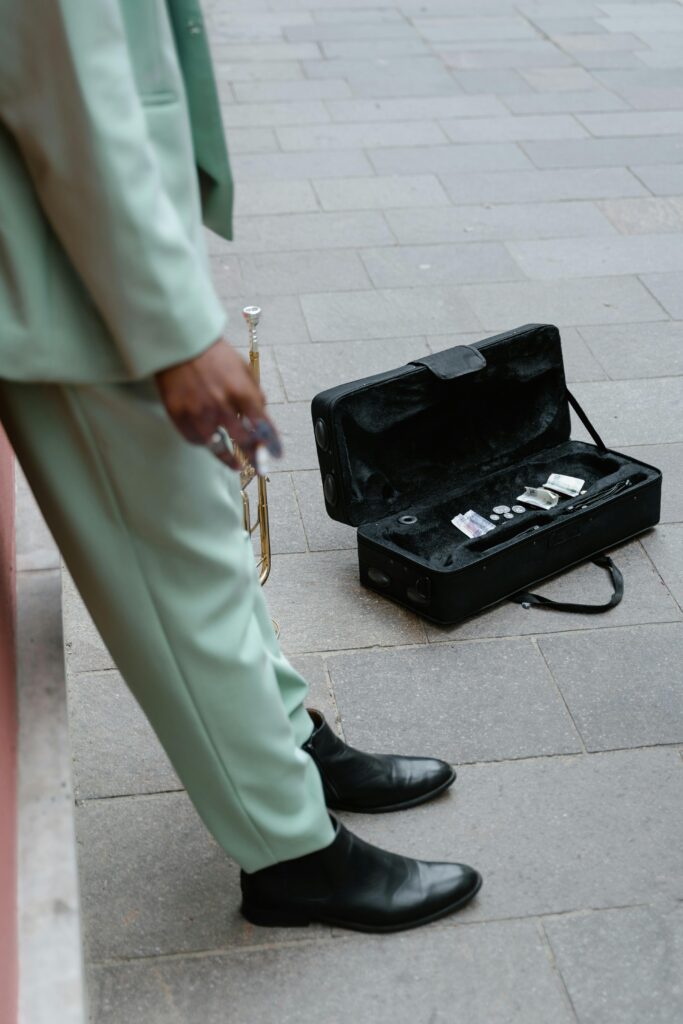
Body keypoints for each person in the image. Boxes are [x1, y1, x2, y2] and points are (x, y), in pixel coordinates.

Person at [0, 0, 481, 932]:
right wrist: (174, 334)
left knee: (207, 539)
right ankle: (290, 851)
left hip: (87, 247)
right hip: (66, 273)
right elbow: (69, 97)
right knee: (181, 570)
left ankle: (289, 741)